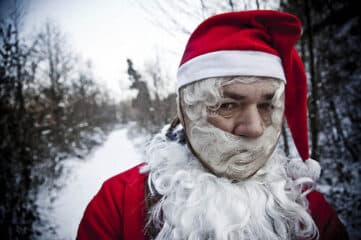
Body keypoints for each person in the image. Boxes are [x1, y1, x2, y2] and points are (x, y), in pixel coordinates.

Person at [77, 10, 348, 240]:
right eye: (227, 105)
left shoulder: (309, 209)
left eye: (266, 106)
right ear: (185, 112)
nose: (254, 128)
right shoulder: (117, 205)